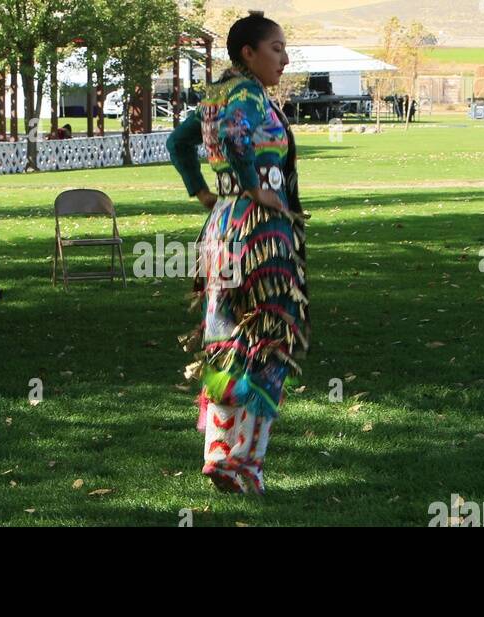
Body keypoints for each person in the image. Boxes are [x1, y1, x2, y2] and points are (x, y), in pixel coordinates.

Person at [166, 11, 310, 495]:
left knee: (227, 335)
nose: (284, 59)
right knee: (268, 339)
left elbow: (177, 141)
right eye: (276, 48)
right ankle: (246, 463)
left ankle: (221, 455)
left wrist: (203, 192)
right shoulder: (246, 95)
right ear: (248, 52)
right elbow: (235, 137)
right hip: (260, 233)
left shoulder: (216, 94)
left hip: (223, 227)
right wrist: (255, 189)